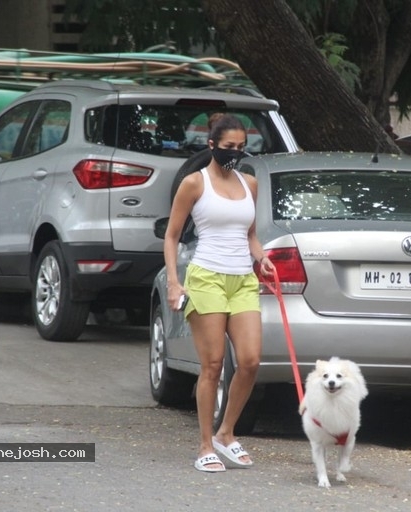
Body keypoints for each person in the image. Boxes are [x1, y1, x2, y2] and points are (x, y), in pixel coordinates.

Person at [163, 113, 274, 473]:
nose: (236, 154)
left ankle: (227, 433)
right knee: (212, 366)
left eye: (242, 148)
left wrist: (262, 258)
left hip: (242, 279)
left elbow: (250, 235)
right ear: (211, 145)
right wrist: (174, 282)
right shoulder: (194, 184)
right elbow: (172, 235)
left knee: (251, 361)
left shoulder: (250, 184)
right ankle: (205, 444)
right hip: (206, 278)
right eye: (229, 148)